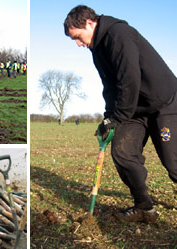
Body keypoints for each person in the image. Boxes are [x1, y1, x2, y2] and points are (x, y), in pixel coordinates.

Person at [64, 5, 177, 223]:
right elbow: (110, 87)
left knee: (173, 163)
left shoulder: (119, 34)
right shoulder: (97, 50)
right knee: (123, 153)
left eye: (78, 37)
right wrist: (109, 118)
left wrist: (119, 115)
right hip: (135, 109)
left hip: (164, 102)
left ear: (89, 23)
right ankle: (144, 207)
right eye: (74, 41)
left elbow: (130, 78)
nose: (78, 44)